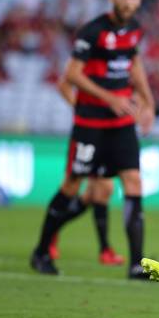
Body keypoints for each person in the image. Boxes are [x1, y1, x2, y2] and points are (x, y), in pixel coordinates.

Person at [30, 0, 156, 279]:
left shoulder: (135, 30)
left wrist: (147, 102)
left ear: (139, 0)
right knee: (73, 186)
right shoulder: (93, 31)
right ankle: (42, 251)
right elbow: (71, 74)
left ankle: (136, 263)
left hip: (122, 123)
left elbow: (134, 64)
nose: (129, 2)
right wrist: (109, 97)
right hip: (90, 124)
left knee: (134, 182)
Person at [46, 78, 124, 266]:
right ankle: (50, 236)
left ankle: (54, 232)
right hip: (88, 132)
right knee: (73, 186)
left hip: (109, 131)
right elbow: (64, 83)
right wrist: (82, 110)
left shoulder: (116, 66)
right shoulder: (89, 61)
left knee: (97, 192)